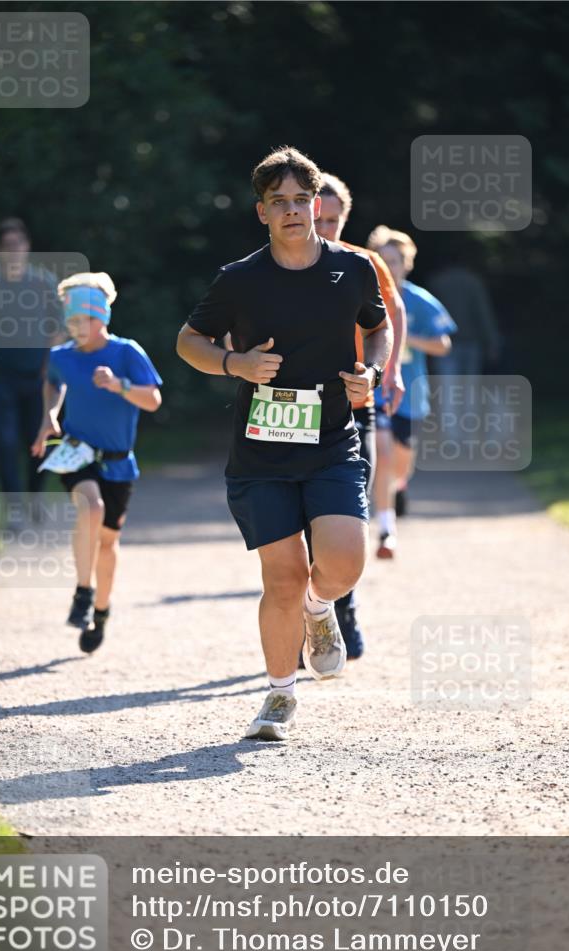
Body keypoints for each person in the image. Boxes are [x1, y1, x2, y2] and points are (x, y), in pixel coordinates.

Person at [177, 147, 391, 741]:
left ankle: (321, 610)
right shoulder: (240, 279)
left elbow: (379, 328)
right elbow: (188, 341)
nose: (294, 211)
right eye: (280, 202)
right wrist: (234, 363)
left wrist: (370, 374)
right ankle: (278, 695)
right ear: (262, 213)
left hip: (330, 442)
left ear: (317, 204)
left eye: (302, 199)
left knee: (344, 561)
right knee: (283, 577)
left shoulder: (352, 269)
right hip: (261, 453)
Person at [31, 272, 162, 653]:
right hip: (77, 453)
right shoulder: (61, 356)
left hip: (119, 463)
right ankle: (83, 590)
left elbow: (153, 400)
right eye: (69, 322)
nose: (74, 329)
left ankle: (100, 611)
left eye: (80, 321)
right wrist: (48, 416)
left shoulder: (126, 353)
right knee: (90, 505)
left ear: (100, 317)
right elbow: (53, 383)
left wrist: (119, 385)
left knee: (107, 544)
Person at [313, 172, 406, 658]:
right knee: (308, 519)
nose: (325, 228)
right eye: (317, 219)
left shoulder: (363, 263)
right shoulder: (285, 265)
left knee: (350, 509)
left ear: (344, 219)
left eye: (334, 220)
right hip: (301, 407)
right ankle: (314, 608)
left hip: (358, 404)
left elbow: (392, 315)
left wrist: (389, 372)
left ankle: (343, 606)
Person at [0, 218, 65, 517]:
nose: (14, 250)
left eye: (19, 243)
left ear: (28, 247)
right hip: (0, 378)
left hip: (39, 378)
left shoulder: (44, 283)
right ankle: (14, 508)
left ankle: (35, 497)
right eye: (7, 245)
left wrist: (50, 368)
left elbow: (57, 331)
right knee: (6, 443)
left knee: (40, 440)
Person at [366, 226, 454, 558]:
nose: (390, 268)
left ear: (407, 263)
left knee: (401, 462)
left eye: (395, 261)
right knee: (382, 452)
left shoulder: (420, 300)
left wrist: (405, 338)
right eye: (383, 262)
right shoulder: (365, 296)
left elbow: (443, 345)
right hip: (375, 391)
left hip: (412, 393)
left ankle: (398, 486)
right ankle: (386, 531)